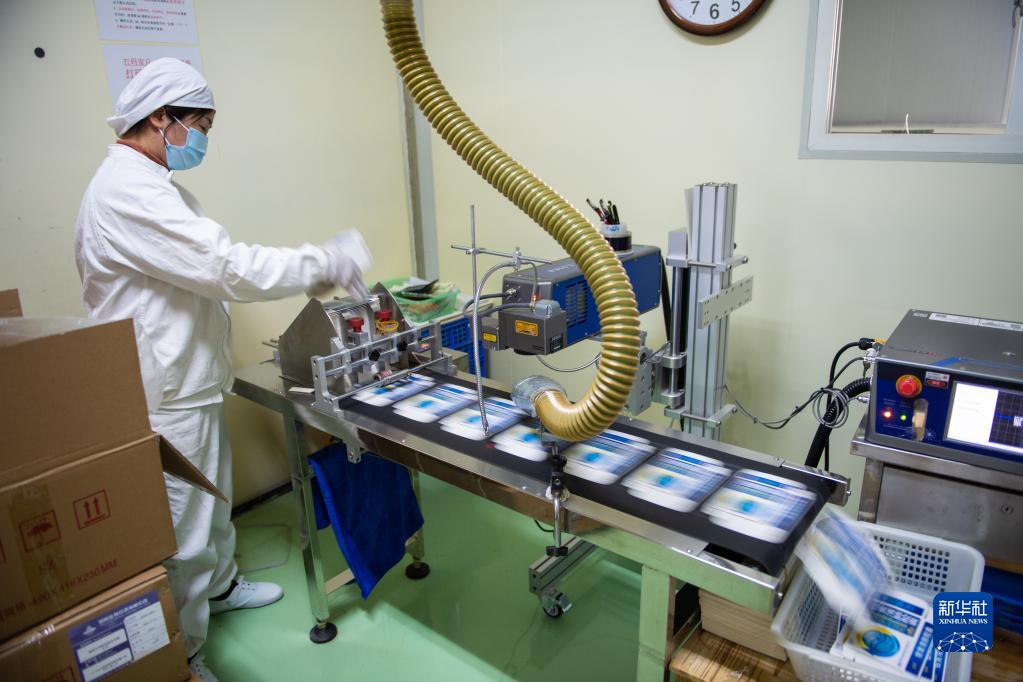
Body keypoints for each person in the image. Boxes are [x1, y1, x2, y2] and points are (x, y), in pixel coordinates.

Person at [74, 58, 371, 682]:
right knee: (181, 529)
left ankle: (223, 586)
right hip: (163, 391)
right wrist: (323, 261)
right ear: (162, 118)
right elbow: (226, 267)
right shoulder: (126, 191)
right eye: (200, 126)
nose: (203, 139)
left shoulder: (156, 184)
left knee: (211, 503)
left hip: (189, 378)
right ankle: (183, 656)